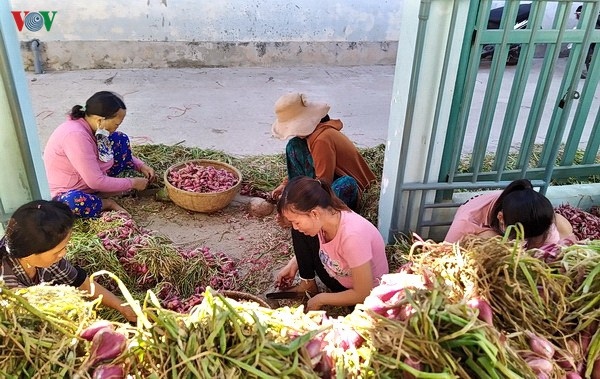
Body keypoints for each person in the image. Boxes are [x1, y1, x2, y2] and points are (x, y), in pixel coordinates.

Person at [0, 200, 137, 322]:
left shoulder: (47, 260)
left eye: (64, 247)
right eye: (57, 251)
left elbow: (82, 283)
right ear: (28, 254)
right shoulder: (7, 286)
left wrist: (123, 308)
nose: (63, 253)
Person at [274, 176, 389, 311]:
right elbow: (309, 243)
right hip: (339, 273)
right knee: (299, 232)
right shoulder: (327, 217)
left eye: (296, 221)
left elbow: (364, 293)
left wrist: (322, 299)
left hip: (362, 295)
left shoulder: (353, 237)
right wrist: (294, 263)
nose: (294, 226)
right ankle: (307, 284)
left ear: (314, 214)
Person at [43, 91, 156, 218]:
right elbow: (95, 181)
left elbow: (107, 151)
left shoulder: (96, 128)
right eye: (116, 124)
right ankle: (105, 202)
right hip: (70, 190)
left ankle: (104, 191)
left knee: (119, 139)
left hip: (92, 179)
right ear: (100, 120)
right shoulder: (76, 136)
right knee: (72, 202)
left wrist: (140, 166)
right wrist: (132, 183)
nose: (116, 128)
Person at [444, 179, 576, 249]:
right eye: (520, 237)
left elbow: (553, 246)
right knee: (488, 239)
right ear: (500, 218)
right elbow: (443, 256)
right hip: (484, 232)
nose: (525, 242)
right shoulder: (466, 222)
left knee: (563, 229)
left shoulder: (535, 217)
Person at [575, 5, 600, 79]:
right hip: (593, 36)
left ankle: (591, 72)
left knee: (588, 53)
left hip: (593, 36)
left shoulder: (592, 19)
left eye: (578, 15)